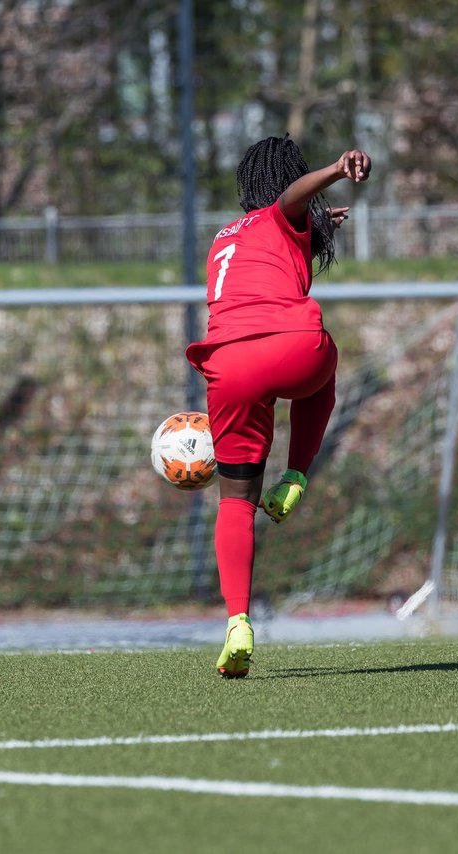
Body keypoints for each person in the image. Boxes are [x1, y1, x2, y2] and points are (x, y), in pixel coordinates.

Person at [185, 136, 370, 677]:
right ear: (285, 179)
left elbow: (267, 268)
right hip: (292, 348)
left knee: (235, 502)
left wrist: (319, 232)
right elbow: (290, 202)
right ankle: (296, 473)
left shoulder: (224, 237)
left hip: (226, 366)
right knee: (325, 361)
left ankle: (237, 621)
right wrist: (337, 168)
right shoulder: (281, 212)